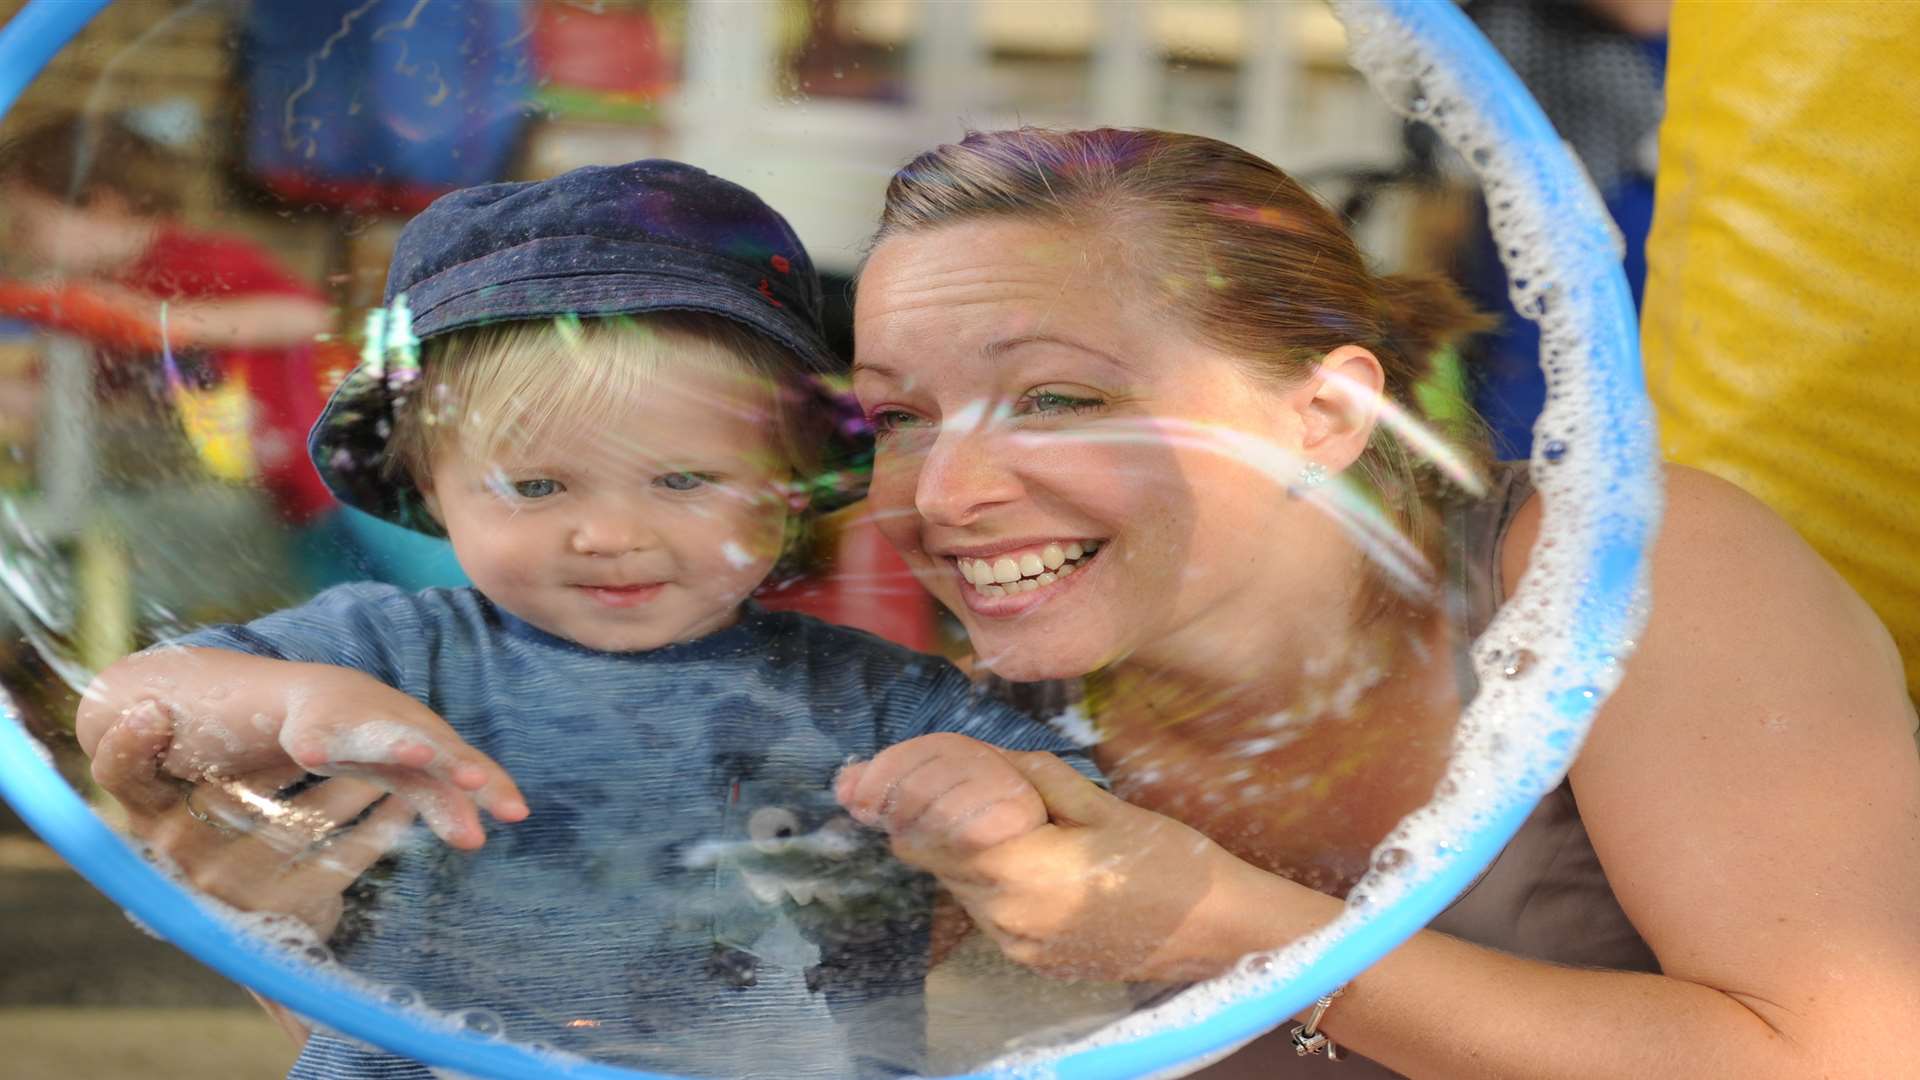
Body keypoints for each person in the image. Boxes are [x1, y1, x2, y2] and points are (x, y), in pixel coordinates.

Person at [835, 128, 1920, 1077]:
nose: (944, 495)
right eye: (896, 418)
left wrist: (1234, 931)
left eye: (1058, 399)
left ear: (1324, 413)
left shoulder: (1626, 567)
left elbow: (1849, 1062)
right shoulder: (994, 736)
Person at [75, 160, 1086, 1079]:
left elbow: (1076, 816)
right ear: (430, 484)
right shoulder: (392, 649)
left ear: (788, 483)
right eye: (538, 484)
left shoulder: (876, 695)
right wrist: (297, 700)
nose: (608, 534)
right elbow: (126, 699)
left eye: (683, 478)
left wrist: (990, 799)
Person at [0, 114, 339, 535]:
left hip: (325, 485)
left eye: (25, 224)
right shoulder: (98, 300)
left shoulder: (193, 260)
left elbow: (309, 316)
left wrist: (159, 319)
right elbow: (51, 397)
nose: (15, 240)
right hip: (255, 500)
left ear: (100, 204)